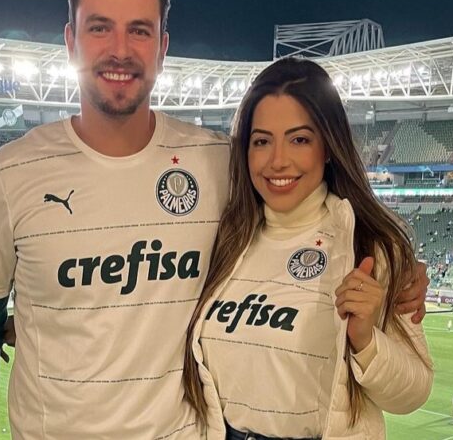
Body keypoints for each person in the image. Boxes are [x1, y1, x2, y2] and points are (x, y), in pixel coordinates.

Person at [0, 0, 430, 439]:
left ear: (162, 48)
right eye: (99, 28)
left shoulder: (219, 163)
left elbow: (303, 197)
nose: (119, 50)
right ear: (70, 40)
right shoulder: (11, 175)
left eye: (139, 30)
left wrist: (399, 268)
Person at [183, 57, 433, 439]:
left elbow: (412, 393)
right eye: (262, 141)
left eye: (299, 139)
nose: (278, 161)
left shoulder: (371, 247)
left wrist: (366, 340)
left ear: (328, 148)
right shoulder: (224, 239)